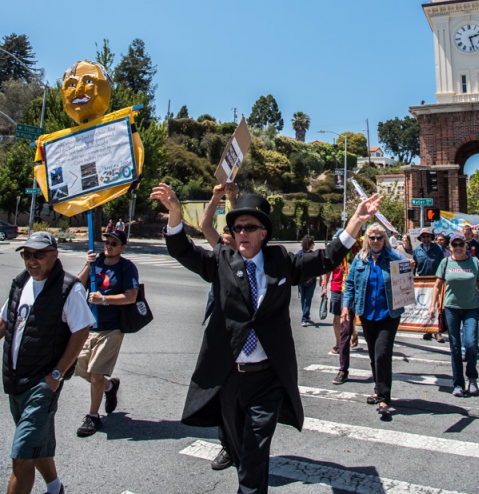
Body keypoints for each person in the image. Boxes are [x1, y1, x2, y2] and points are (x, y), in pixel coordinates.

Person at [150, 182, 383, 494]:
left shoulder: (281, 261)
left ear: (263, 233)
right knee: (239, 448)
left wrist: (356, 221)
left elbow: (327, 258)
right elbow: (182, 250)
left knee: (255, 453)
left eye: (250, 227)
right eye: (237, 227)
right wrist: (175, 214)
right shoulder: (222, 261)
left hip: (268, 379)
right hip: (229, 378)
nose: (242, 232)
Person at [0, 231, 94, 494]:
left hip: (41, 384)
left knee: (22, 456)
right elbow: (6, 322)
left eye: (39, 255)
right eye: (27, 254)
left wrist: (56, 374)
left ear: (55, 254)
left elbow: (81, 329)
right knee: (35, 444)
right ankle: (55, 488)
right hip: (15, 381)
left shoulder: (69, 287)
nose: (32, 261)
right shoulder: (21, 283)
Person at [75, 228, 139, 437]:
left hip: (111, 328)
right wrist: (88, 264)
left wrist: (103, 299)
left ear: (122, 248)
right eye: (107, 242)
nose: (109, 246)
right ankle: (110, 387)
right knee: (79, 368)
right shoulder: (97, 261)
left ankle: (93, 416)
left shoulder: (126, 267)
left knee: (95, 373)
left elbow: (130, 296)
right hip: (88, 325)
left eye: (114, 244)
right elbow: (77, 285)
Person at [338, 225, 407, 417]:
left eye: (379, 237)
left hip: (388, 314)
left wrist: (410, 266)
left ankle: (384, 398)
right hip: (367, 313)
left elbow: (407, 270)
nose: (375, 241)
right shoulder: (360, 260)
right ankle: (378, 389)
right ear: (367, 240)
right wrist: (346, 307)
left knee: (381, 354)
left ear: (384, 239)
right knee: (373, 354)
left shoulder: (393, 257)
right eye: (372, 237)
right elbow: (350, 284)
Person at [199, 183, 239, 472]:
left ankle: (241, 443)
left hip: (245, 329)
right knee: (221, 388)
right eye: (222, 237)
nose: (225, 241)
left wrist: (234, 199)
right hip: (219, 323)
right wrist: (216, 197)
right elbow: (204, 224)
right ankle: (227, 444)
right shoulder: (220, 252)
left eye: (230, 235)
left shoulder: (245, 255)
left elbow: (239, 224)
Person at [429, 233, 479, 397]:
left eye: (460, 245)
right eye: (454, 245)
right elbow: (437, 286)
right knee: (455, 347)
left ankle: (472, 377)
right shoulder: (446, 262)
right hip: (451, 308)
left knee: (471, 343)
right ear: (450, 248)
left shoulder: (475, 262)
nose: (458, 248)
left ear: (466, 247)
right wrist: (432, 306)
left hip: (471, 308)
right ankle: (458, 383)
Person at [413, 228, 444, 341]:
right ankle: (427, 330)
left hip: (436, 280)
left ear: (431, 237)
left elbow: (443, 264)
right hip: (422, 280)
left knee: (437, 306)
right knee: (424, 305)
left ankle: (437, 331)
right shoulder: (417, 250)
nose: (426, 238)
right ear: (420, 238)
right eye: (423, 236)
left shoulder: (438, 249)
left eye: (427, 236)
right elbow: (414, 265)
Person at [297, 236, 318, 326]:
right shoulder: (299, 254)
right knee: (303, 299)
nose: (313, 245)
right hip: (301, 281)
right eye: (312, 243)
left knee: (307, 299)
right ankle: (306, 314)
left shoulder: (314, 255)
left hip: (311, 281)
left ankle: (304, 318)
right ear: (309, 244)